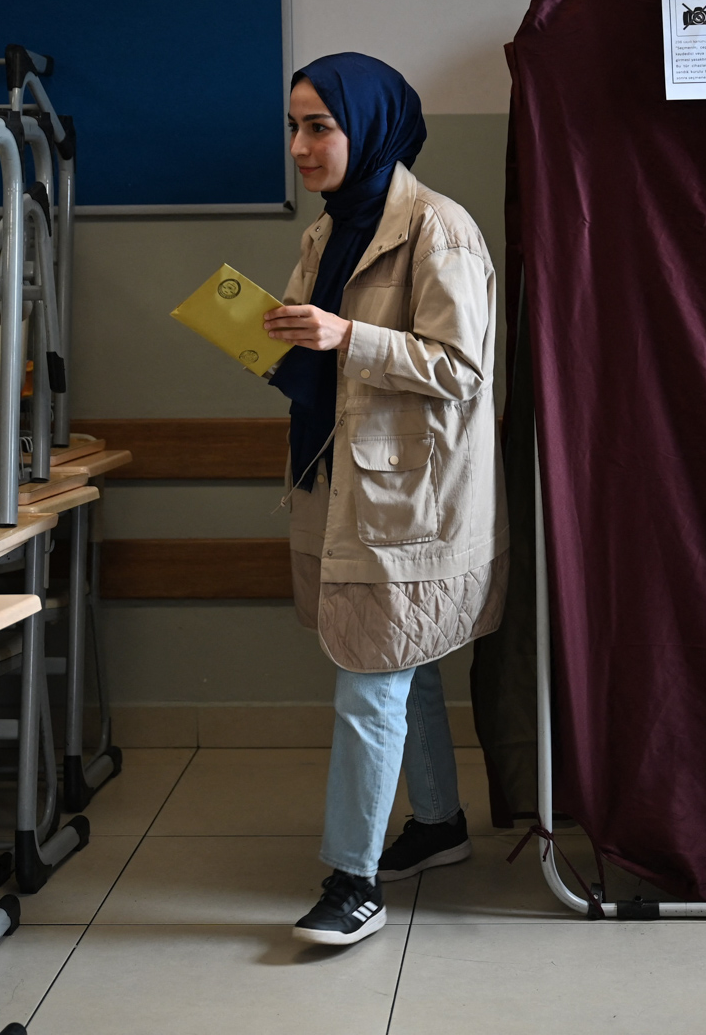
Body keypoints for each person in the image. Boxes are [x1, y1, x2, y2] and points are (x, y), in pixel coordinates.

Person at [263, 52, 508, 946]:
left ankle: (352, 881)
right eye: (293, 125)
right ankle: (438, 826)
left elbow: (461, 369)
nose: (300, 145)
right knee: (400, 660)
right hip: (349, 481)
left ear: (369, 125)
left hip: (412, 498)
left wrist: (344, 336)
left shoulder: (440, 230)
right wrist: (277, 341)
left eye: (318, 125)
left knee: (372, 680)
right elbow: (321, 357)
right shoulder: (328, 233)